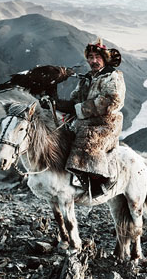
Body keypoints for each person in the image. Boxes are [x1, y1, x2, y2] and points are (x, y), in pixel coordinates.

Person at [53, 38, 125, 198]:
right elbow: (75, 99)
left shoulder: (113, 76)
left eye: (97, 57)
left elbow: (111, 101)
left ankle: (97, 182)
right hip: (84, 120)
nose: (93, 61)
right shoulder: (87, 78)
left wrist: (80, 109)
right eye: (90, 57)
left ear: (104, 58)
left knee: (87, 140)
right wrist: (56, 103)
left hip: (107, 123)